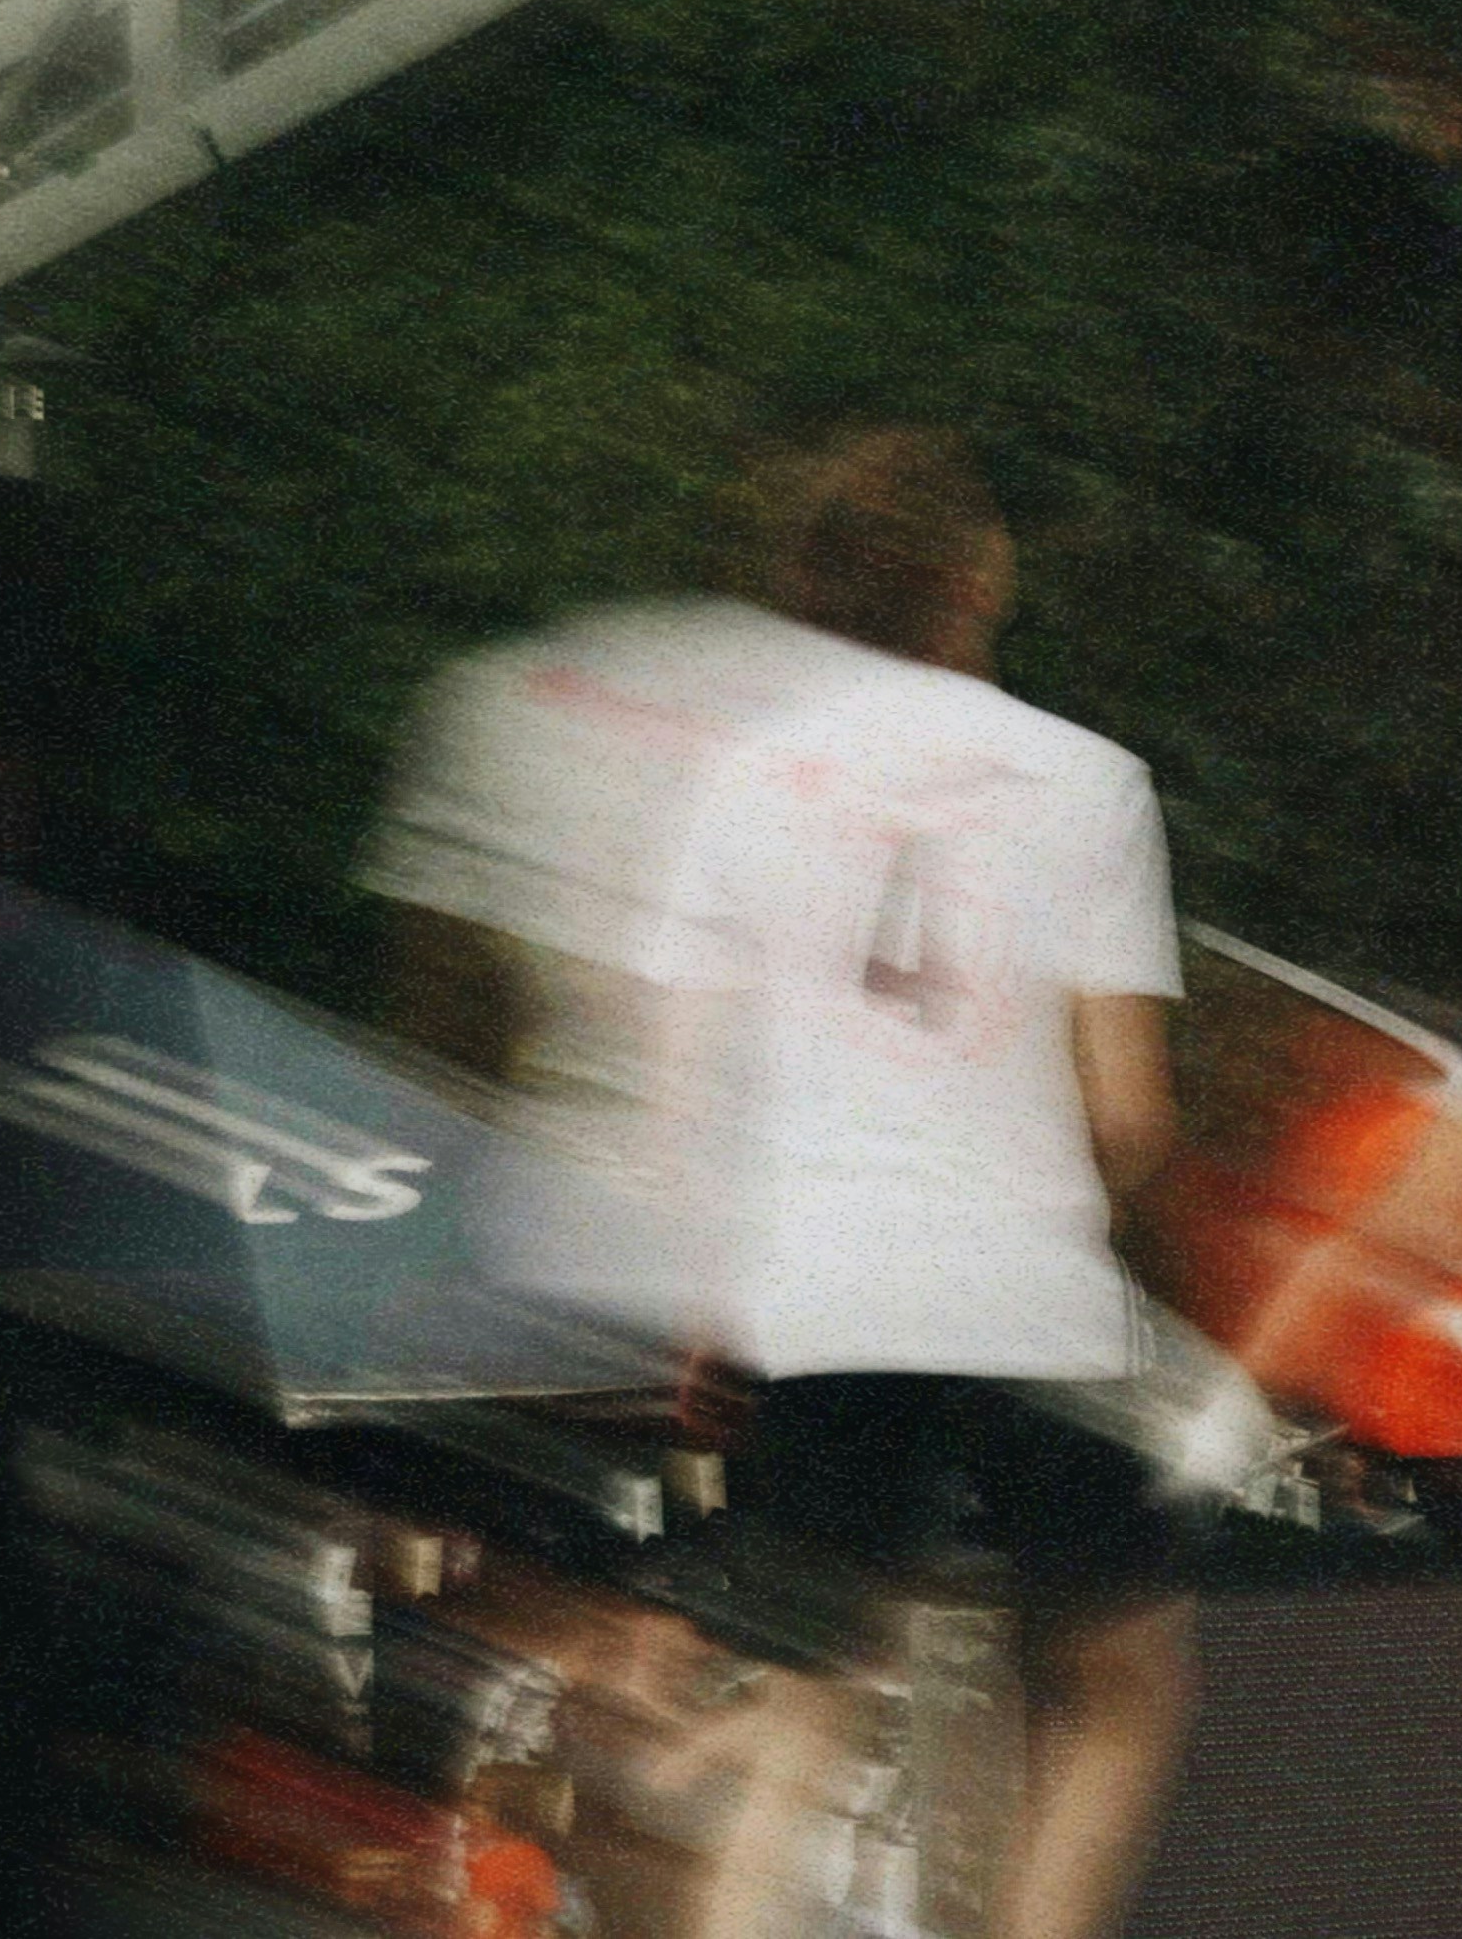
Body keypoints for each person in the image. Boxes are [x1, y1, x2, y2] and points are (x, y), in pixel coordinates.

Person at [366, 427, 1195, 1939]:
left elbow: (553, 1061)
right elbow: (1126, 1122)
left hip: (701, 1275)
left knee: (784, 1663)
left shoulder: (685, 755)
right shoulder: (1080, 778)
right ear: (972, 594)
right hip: (975, 1289)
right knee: (1110, 1672)